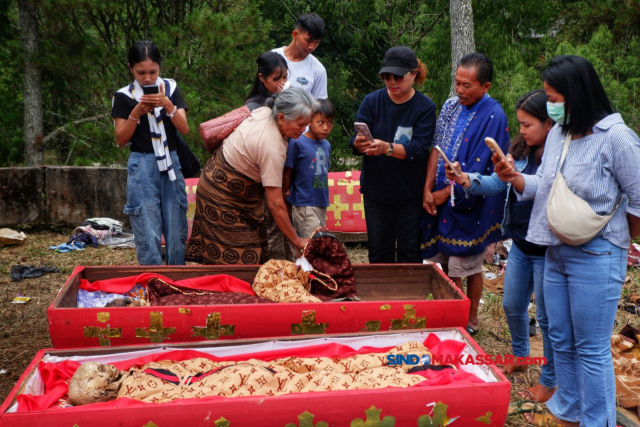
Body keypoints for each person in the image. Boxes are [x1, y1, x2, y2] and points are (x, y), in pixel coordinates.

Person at [493, 55, 640, 426]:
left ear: (576, 95)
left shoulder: (617, 139)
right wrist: (515, 179)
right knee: (559, 337)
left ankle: (597, 420)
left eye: (554, 98)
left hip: (597, 254)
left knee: (591, 348)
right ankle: (568, 410)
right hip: (555, 251)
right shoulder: (560, 134)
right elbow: (546, 187)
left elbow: (638, 200)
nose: (551, 106)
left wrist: (615, 240)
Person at [445, 90, 556, 403]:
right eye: (520, 123)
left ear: (549, 124)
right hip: (521, 243)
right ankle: (521, 356)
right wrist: (466, 179)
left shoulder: (560, 156)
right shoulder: (520, 152)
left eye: (528, 124)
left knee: (547, 318)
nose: (521, 130)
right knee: (511, 305)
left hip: (549, 249)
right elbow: (498, 183)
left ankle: (549, 380)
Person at [421, 52, 510, 336]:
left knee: (468, 264)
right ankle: (450, 313)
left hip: (472, 200)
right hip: (439, 193)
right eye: (457, 83)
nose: (459, 90)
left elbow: (480, 167)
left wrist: (445, 193)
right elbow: (436, 148)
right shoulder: (449, 106)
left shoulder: (494, 115)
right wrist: (427, 189)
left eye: (467, 85)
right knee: (445, 261)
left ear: (486, 86)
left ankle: (469, 320)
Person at [186, 88, 318, 265]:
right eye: (300, 124)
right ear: (281, 117)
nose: (304, 130)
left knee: (253, 248)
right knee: (236, 258)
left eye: (306, 124)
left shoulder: (264, 110)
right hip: (221, 194)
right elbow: (275, 204)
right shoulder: (272, 146)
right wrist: (297, 241)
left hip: (225, 184)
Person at [350, 46, 436, 264]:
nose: (392, 82)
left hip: (410, 194)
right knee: (379, 253)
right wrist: (360, 144)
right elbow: (355, 140)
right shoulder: (372, 101)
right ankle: (381, 296)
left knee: (410, 252)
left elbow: (419, 148)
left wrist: (387, 148)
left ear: (414, 74)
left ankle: (409, 297)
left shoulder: (425, 107)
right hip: (377, 192)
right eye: (386, 76)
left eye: (398, 76)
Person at [112, 40, 189, 266]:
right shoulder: (124, 96)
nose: (147, 78)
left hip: (170, 160)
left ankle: (177, 279)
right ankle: (152, 280)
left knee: (175, 223)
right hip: (142, 162)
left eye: (153, 72)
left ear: (160, 67)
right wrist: (136, 112)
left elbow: (184, 128)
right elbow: (121, 139)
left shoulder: (171, 89)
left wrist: (167, 105)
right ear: (131, 68)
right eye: (141, 72)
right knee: (147, 224)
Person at [245, 51, 294, 261]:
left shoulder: (283, 100)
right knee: (274, 227)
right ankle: (278, 273)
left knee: (287, 225)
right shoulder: (255, 107)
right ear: (262, 78)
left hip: (285, 173)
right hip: (266, 178)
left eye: (285, 78)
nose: (282, 83)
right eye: (276, 79)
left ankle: (291, 267)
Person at [283, 98, 334, 239]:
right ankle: (302, 262)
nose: (326, 127)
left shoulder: (326, 145)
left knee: (319, 241)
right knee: (310, 242)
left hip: (321, 201)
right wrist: (285, 195)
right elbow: (287, 172)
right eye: (321, 122)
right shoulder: (297, 142)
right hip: (304, 203)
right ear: (309, 121)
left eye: (330, 123)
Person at [272, 13, 327, 99]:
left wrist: (292, 96)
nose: (312, 47)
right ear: (295, 34)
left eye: (316, 42)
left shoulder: (318, 70)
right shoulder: (272, 57)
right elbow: (257, 94)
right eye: (308, 41)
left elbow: (320, 109)